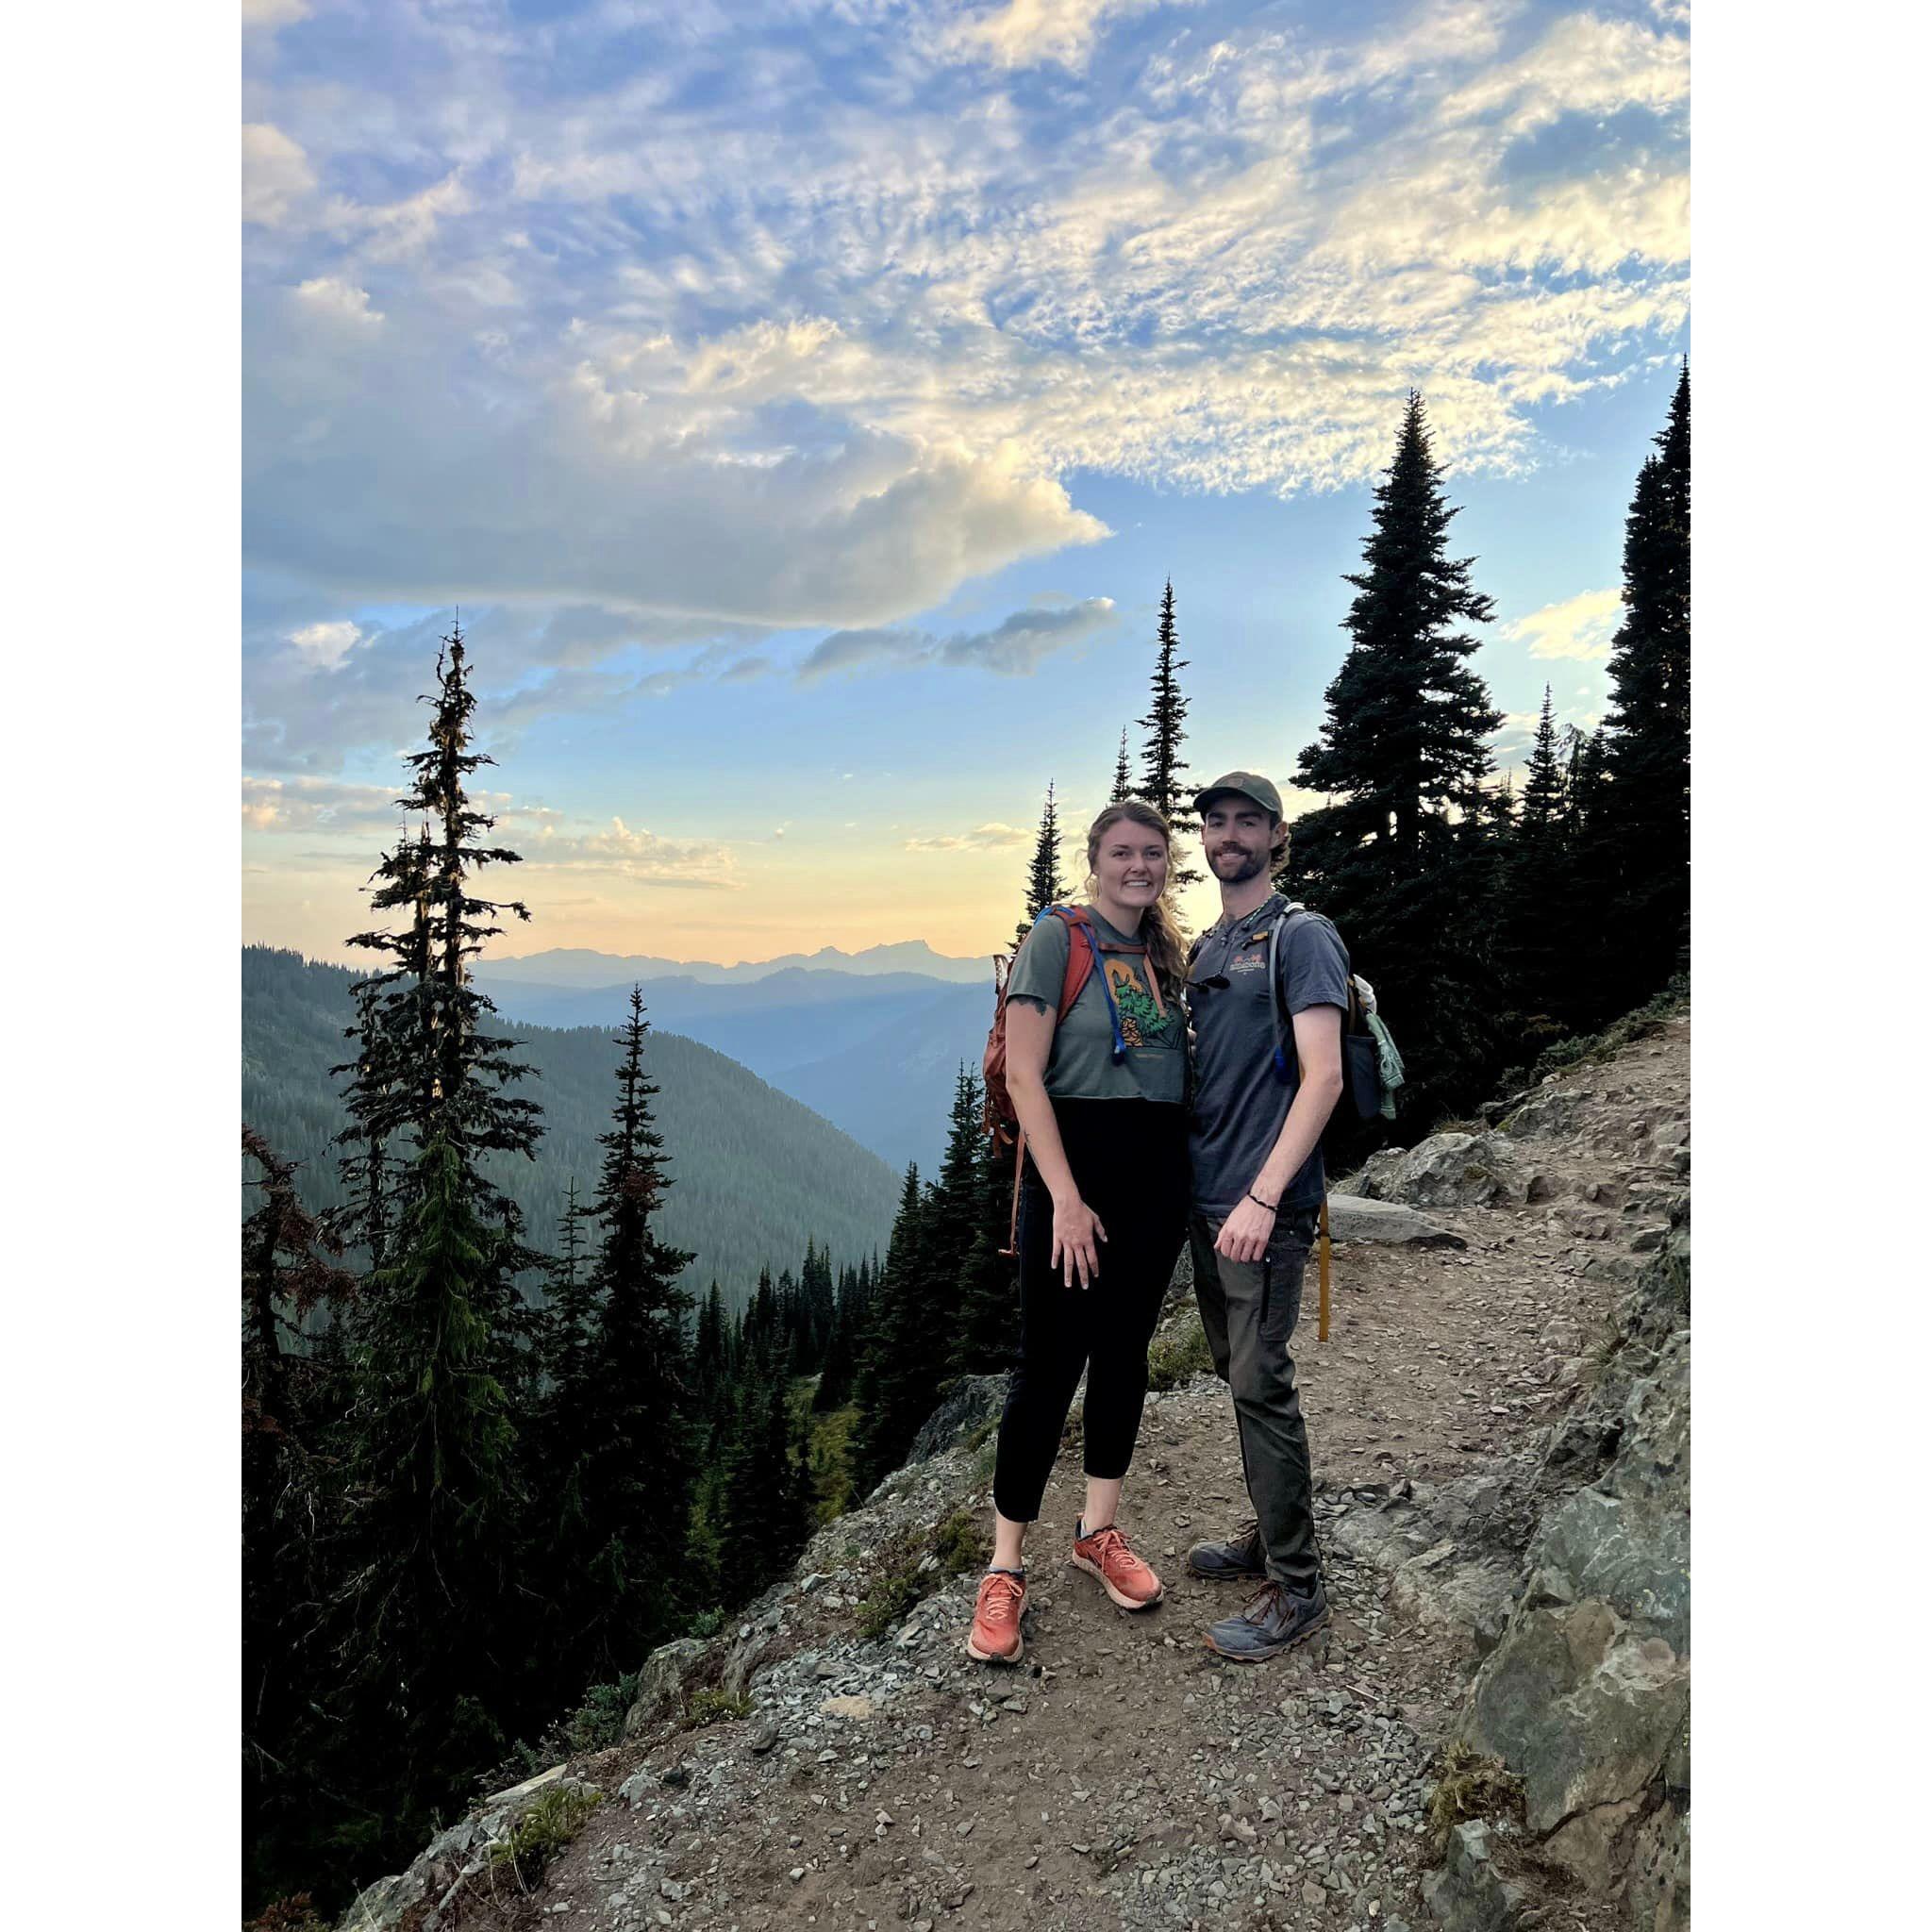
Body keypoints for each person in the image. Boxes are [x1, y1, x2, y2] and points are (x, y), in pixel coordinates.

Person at [965, 800, 1192, 1666]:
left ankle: (1098, 1531)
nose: (1140, 866)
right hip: (1075, 1178)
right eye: (1124, 852)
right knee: (1049, 1365)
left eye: (1153, 854)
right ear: (1096, 861)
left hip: (1154, 1181)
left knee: (1125, 1353)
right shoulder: (1057, 938)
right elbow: (1026, 1073)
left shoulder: (1168, 957)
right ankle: (1005, 1564)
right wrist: (1063, 1196)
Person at [1181, 772, 1350, 1662]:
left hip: (1263, 1209)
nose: (1230, 835)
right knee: (1238, 1378)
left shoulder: (1301, 935)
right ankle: (1269, 1530)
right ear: (1203, 839)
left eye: (1249, 821)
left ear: (1277, 836)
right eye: (1217, 822)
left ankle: (1297, 1587)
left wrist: (1263, 1195)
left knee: (1262, 1384)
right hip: (1208, 1203)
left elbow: (1322, 1077)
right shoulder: (1214, 942)